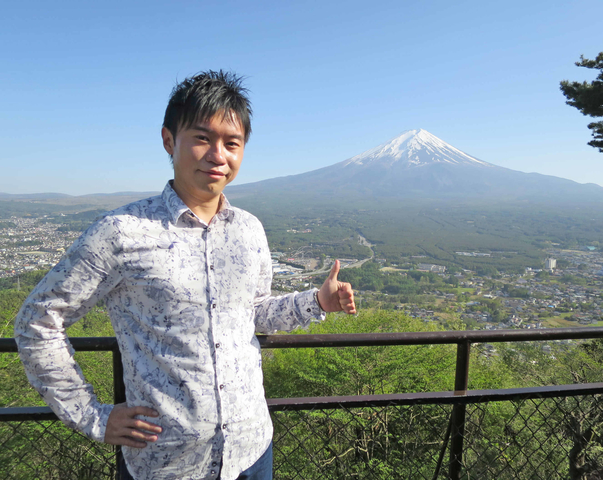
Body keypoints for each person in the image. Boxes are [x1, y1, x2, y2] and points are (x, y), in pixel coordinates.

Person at [14, 70, 357, 480]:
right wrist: (92, 416)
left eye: (232, 143)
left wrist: (316, 302)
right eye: (201, 138)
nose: (218, 155)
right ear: (168, 141)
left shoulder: (250, 230)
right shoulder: (122, 231)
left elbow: (252, 313)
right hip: (165, 465)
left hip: (252, 449)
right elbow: (37, 321)